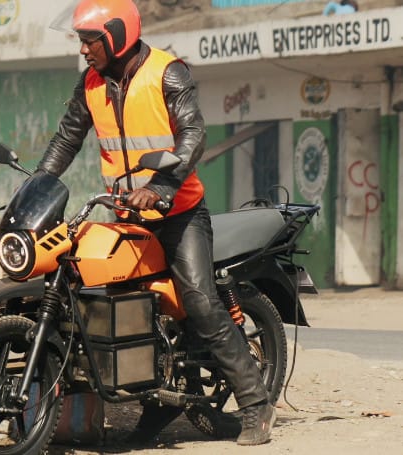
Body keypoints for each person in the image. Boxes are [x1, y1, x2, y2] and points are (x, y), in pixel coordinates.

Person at [38, 0, 275, 446]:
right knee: (117, 305)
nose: (84, 50)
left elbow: (193, 135)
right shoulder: (91, 83)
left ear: (116, 35)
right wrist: (37, 182)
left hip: (179, 213)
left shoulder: (169, 73)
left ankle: (256, 405)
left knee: (200, 302)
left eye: (90, 41)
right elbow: (67, 137)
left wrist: (163, 186)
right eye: (81, 41)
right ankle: (156, 398)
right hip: (127, 213)